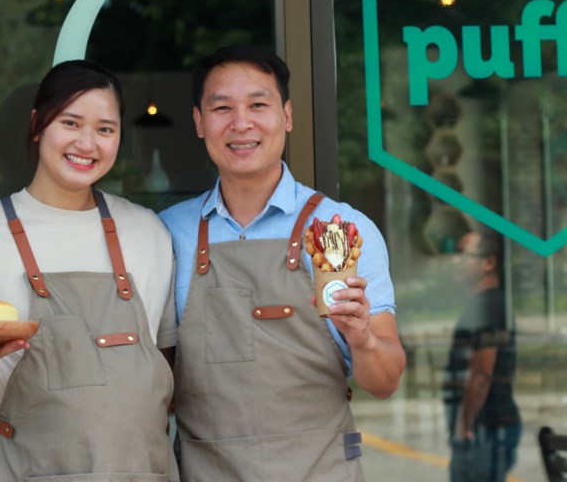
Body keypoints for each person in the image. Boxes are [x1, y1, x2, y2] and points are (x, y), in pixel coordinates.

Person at [0, 60, 178, 481]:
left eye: (105, 129)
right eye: (71, 123)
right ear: (38, 124)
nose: (87, 143)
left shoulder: (148, 232)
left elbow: (162, 364)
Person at [159, 45, 406, 481]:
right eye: (222, 108)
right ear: (200, 122)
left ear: (287, 116)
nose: (241, 123)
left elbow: (385, 381)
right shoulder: (167, 236)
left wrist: (363, 339)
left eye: (258, 104)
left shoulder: (338, 228)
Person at [442, 228, 521, 482]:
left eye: (464, 254)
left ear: (488, 263)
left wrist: (464, 426)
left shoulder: (489, 306)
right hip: (483, 430)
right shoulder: (484, 304)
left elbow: (482, 371)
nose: (456, 261)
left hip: (484, 430)